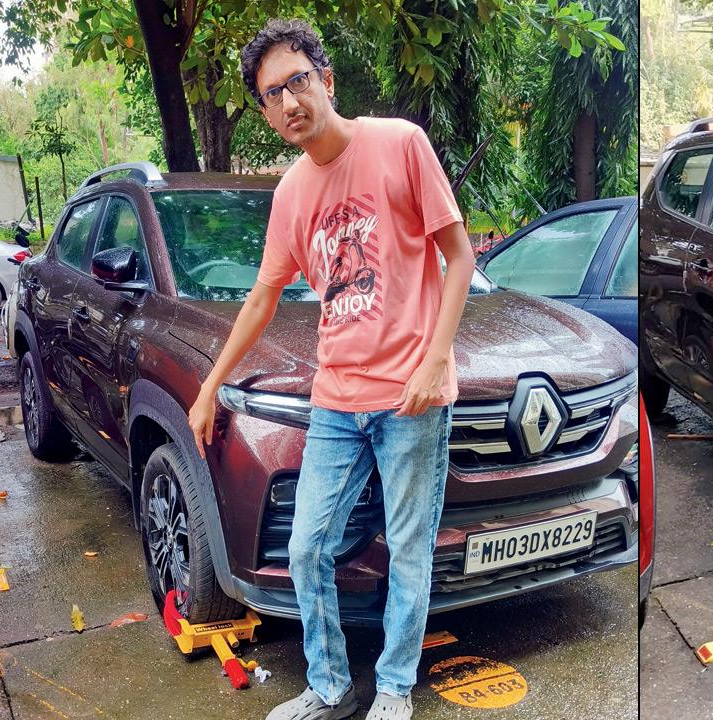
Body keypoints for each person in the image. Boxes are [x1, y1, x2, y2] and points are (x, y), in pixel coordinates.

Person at [187, 18, 475, 720]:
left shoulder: (400, 145)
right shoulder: (290, 194)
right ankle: (330, 684)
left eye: (298, 82)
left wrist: (437, 360)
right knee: (307, 545)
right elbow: (261, 298)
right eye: (271, 94)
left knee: (408, 551)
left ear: (327, 81)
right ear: (263, 109)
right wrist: (206, 390)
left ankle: (397, 688)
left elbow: (459, 256)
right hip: (337, 401)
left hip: (412, 397)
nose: (288, 102)